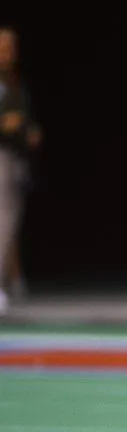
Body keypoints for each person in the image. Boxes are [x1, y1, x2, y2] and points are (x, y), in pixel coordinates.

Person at [0, 27, 40, 315]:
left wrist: (27, 129)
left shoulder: (12, 81)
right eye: (4, 47)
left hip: (14, 156)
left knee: (9, 221)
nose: (9, 52)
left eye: (11, 47)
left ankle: (12, 281)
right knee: (4, 220)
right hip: (2, 156)